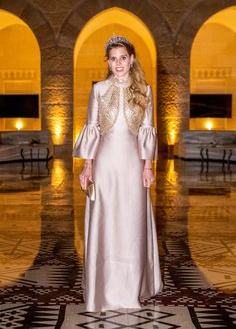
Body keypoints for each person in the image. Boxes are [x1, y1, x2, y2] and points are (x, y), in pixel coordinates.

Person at [73, 35, 162, 312]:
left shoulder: (145, 90)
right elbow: (92, 129)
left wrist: (148, 166)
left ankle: (132, 288)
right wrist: (87, 167)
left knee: (132, 223)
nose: (119, 63)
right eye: (113, 59)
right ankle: (104, 289)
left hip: (133, 166)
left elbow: (147, 131)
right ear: (108, 62)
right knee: (106, 221)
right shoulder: (98, 89)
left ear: (131, 59)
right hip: (105, 166)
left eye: (123, 57)